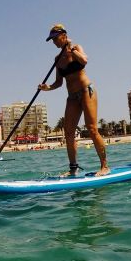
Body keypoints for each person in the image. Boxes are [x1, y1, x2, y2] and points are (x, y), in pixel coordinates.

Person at [38, 23, 110, 177]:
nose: (54, 42)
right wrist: (46, 88)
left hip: (86, 91)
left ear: (64, 35)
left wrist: (70, 49)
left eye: (56, 38)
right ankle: (73, 169)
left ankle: (105, 166)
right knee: (68, 132)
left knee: (92, 129)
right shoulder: (57, 59)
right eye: (52, 40)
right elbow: (58, 83)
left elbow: (84, 61)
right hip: (72, 97)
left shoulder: (76, 48)